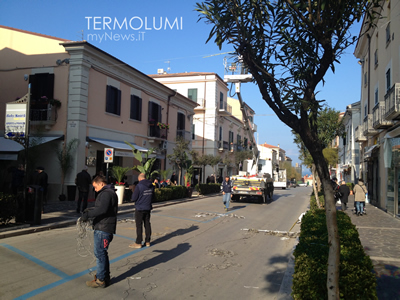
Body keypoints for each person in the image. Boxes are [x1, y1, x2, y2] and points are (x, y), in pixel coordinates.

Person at [81, 175, 118, 288]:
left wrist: (88, 215)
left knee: (100, 253)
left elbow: (102, 209)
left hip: (103, 228)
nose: (95, 189)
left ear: (101, 184)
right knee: (102, 253)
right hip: (104, 227)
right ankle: (104, 277)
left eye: (95, 187)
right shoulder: (109, 192)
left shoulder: (106, 193)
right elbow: (102, 208)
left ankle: (101, 279)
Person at [129, 173, 154, 248]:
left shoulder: (139, 186)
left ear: (139, 178)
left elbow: (134, 198)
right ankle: (147, 241)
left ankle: (138, 242)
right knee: (147, 224)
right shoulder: (151, 185)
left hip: (140, 208)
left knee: (139, 225)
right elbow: (153, 196)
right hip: (148, 207)